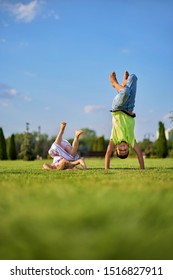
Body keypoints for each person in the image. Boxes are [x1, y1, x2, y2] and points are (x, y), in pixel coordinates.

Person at [105, 71, 144, 169]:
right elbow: (139, 154)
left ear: (116, 148)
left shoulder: (114, 139)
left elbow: (107, 154)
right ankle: (123, 84)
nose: (123, 148)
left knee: (125, 92)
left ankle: (114, 83)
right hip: (130, 108)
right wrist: (142, 169)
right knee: (133, 77)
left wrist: (107, 170)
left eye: (120, 150)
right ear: (129, 148)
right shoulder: (131, 140)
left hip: (117, 107)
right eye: (125, 150)